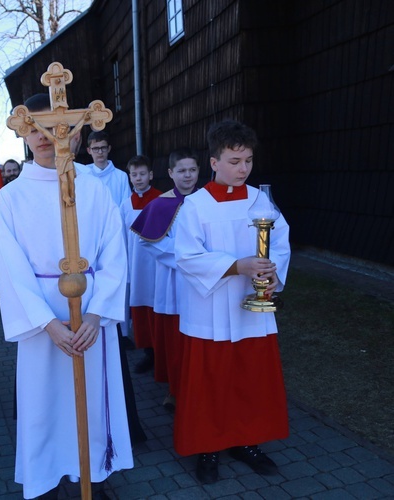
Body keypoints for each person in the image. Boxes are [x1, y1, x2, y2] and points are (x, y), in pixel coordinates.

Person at [0, 94, 133, 499]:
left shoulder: (94, 187)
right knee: (44, 405)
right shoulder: (12, 196)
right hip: (43, 322)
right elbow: (11, 266)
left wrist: (95, 317)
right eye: (35, 126)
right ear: (24, 131)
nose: (45, 135)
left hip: (90, 313)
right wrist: (49, 324)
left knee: (92, 399)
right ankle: (46, 480)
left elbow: (114, 252)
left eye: (55, 126)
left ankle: (94, 474)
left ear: (74, 132)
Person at [173, 120, 290, 484]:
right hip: (209, 308)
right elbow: (187, 256)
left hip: (251, 308)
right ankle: (208, 447)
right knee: (210, 379)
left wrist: (272, 272)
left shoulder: (261, 200)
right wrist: (236, 265)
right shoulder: (195, 205)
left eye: (248, 161)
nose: (243, 169)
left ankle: (247, 440)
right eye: (235, 161)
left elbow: (281, 242)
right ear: (214, 162)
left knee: (249, 377)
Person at [131, 148, 199, 411]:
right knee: (174, 338)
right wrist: (185, 257)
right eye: (182, 170)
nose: (188, 176)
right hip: (172, 281)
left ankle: (196, 386)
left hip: (200, 281)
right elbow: (147, 243)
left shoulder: (206, 202)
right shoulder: (161, 204)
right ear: (171, 173)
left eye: (192, 170)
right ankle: (174, 389)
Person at [119, 156, 161, 374]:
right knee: (141, 311)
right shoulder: (125, 206)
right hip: (136, 268)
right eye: (134, 175)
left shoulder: (162, 201)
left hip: (158, 268)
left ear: (150, 175)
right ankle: (148, 353)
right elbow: (123, 240)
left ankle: (161, 353)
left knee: (158, 310)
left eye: (142, 174)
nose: (138, 179)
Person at [78, 131, 131, 207]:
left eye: (103, 148)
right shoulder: (83, 174)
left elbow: (126, 207)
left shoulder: (121, 177)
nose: (100, 152)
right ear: (89, 151)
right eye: (96, 148)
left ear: (109, 148)